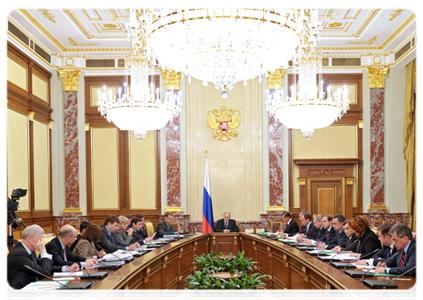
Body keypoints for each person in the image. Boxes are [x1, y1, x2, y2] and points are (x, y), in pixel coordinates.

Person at [5, 225, 79, 292]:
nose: (41, 243)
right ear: (29, 238)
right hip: (18, 293)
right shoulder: (18, 254)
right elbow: (44, 272)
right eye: (39, 240)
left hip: (30, 289)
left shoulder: (30, 250)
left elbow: (42, 268)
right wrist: (43, 252)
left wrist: (66, 269)